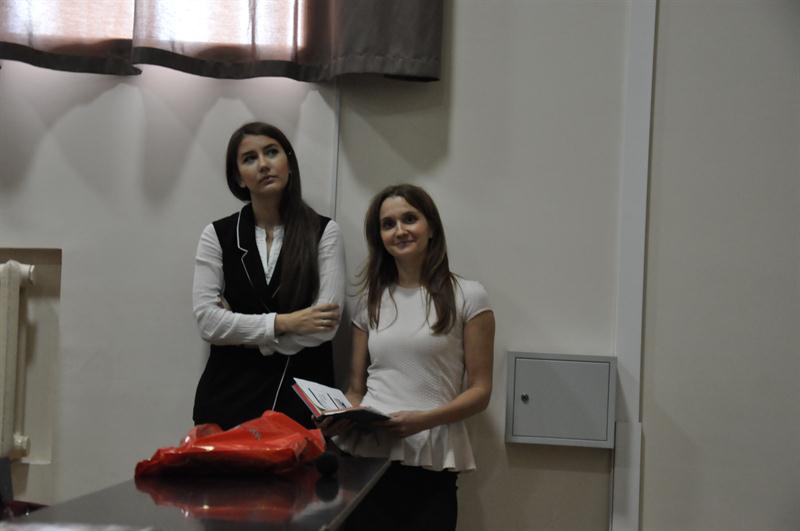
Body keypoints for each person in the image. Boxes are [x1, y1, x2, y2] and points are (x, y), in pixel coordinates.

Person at [329, 184, 495, 531]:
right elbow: (356, 388)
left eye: (409, 219)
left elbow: (480, 391)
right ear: (380, 237)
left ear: (431, 227)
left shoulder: (469, 296)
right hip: (366, 457)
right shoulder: (370, 301)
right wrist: (342, 415)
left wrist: (424, 420)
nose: (400, 230)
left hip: (431, 456)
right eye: (388, 224)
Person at [191, 122, 345, 431]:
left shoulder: (324, 231)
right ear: (239, 177)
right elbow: (208, 322)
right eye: (249, 158)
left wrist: (249, 339)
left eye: (271, 152)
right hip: (228, 395)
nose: (263, 164)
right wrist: (285, 323)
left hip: (301, 396)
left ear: (289, 163)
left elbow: (325, 325)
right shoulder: (217, 234)